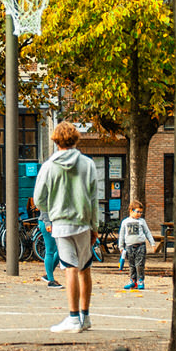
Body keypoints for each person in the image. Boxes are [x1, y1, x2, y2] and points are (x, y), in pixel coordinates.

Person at [31, 122, 101, 333]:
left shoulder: (49, 166)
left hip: (61, 223)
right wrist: (95, 226)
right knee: (85, 268)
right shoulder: (87, 164)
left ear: (55, 140)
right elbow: (93, 198)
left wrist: (51, 211)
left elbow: (38, 199)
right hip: (83, 222)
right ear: (76, 139)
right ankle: (85, 316)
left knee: (69, 267)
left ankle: (72, 318)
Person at [117, 202, 155, 291]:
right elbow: (122, 234)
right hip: (129, 246)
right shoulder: (125, 222)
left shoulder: (142, 221)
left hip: (140, 246)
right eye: (137, 212)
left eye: (141, 212)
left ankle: (140, 280)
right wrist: (121, 247)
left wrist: (152, 243)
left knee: (140, 264)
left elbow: (147, 232)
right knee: (131, 265)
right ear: (131, 210)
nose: (139, 214)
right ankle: (132, 281)